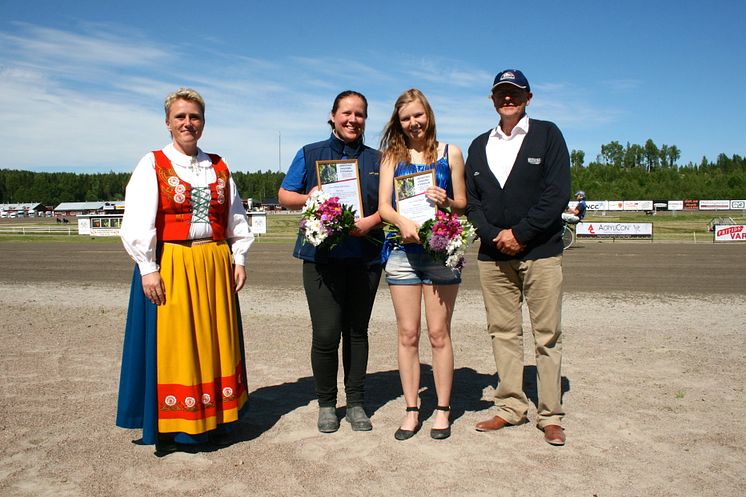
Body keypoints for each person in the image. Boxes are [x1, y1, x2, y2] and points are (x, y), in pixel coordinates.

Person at [116, 88, 254, 456]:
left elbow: (235, 217)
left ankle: (219, 419)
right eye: (180, 117)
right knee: (177, 344)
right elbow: (137, 220)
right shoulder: (153, 163)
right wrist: (148, 268)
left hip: (213, 261)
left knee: (215, 340)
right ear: (168, 122)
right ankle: (179, 427)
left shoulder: (220, 166)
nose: (187, 123)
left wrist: (238, 257)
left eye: (194, 116)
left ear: (203, 123)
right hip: (172, 262)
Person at [465, 70, 571, 446]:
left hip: (541, 253)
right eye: (501, 93)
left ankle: (550, 415)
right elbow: (471, 202)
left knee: (547, 336)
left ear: (529, 97)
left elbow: (557, 194)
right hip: (493, 258)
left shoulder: (548, 134)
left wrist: (520, 234)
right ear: (492, 99)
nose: (507, 99)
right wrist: (495, 235)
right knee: (503, 333)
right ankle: (510, 407)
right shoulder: (479, 145)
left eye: (514, 93)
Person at [278, 90, 384, 433]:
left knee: (357, 332)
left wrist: (371, 221)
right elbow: (284, 195)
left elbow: (389, 204)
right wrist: (309, 197)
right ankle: (326, 403)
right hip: (321, 257)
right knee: (325, 334)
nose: (353, 119)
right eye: (346, 113)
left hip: (365, 257)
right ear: (333, 116)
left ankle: (355, 402)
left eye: (360, 114)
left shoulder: (378, 160)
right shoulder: (311, 154)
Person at [378, 89, 467, 441]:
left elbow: (463, 205)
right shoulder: (391, 157)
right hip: (402, 252)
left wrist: (446, 201)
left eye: (418, 115)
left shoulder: (451, 153)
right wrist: (403, 223)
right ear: (398, 123)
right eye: (405, 118)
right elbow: (384, 206)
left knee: (438, 334)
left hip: (441, 254)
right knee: (408, 334)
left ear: (428, 114)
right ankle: (412, 409)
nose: (413, 123)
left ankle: (442, 410)